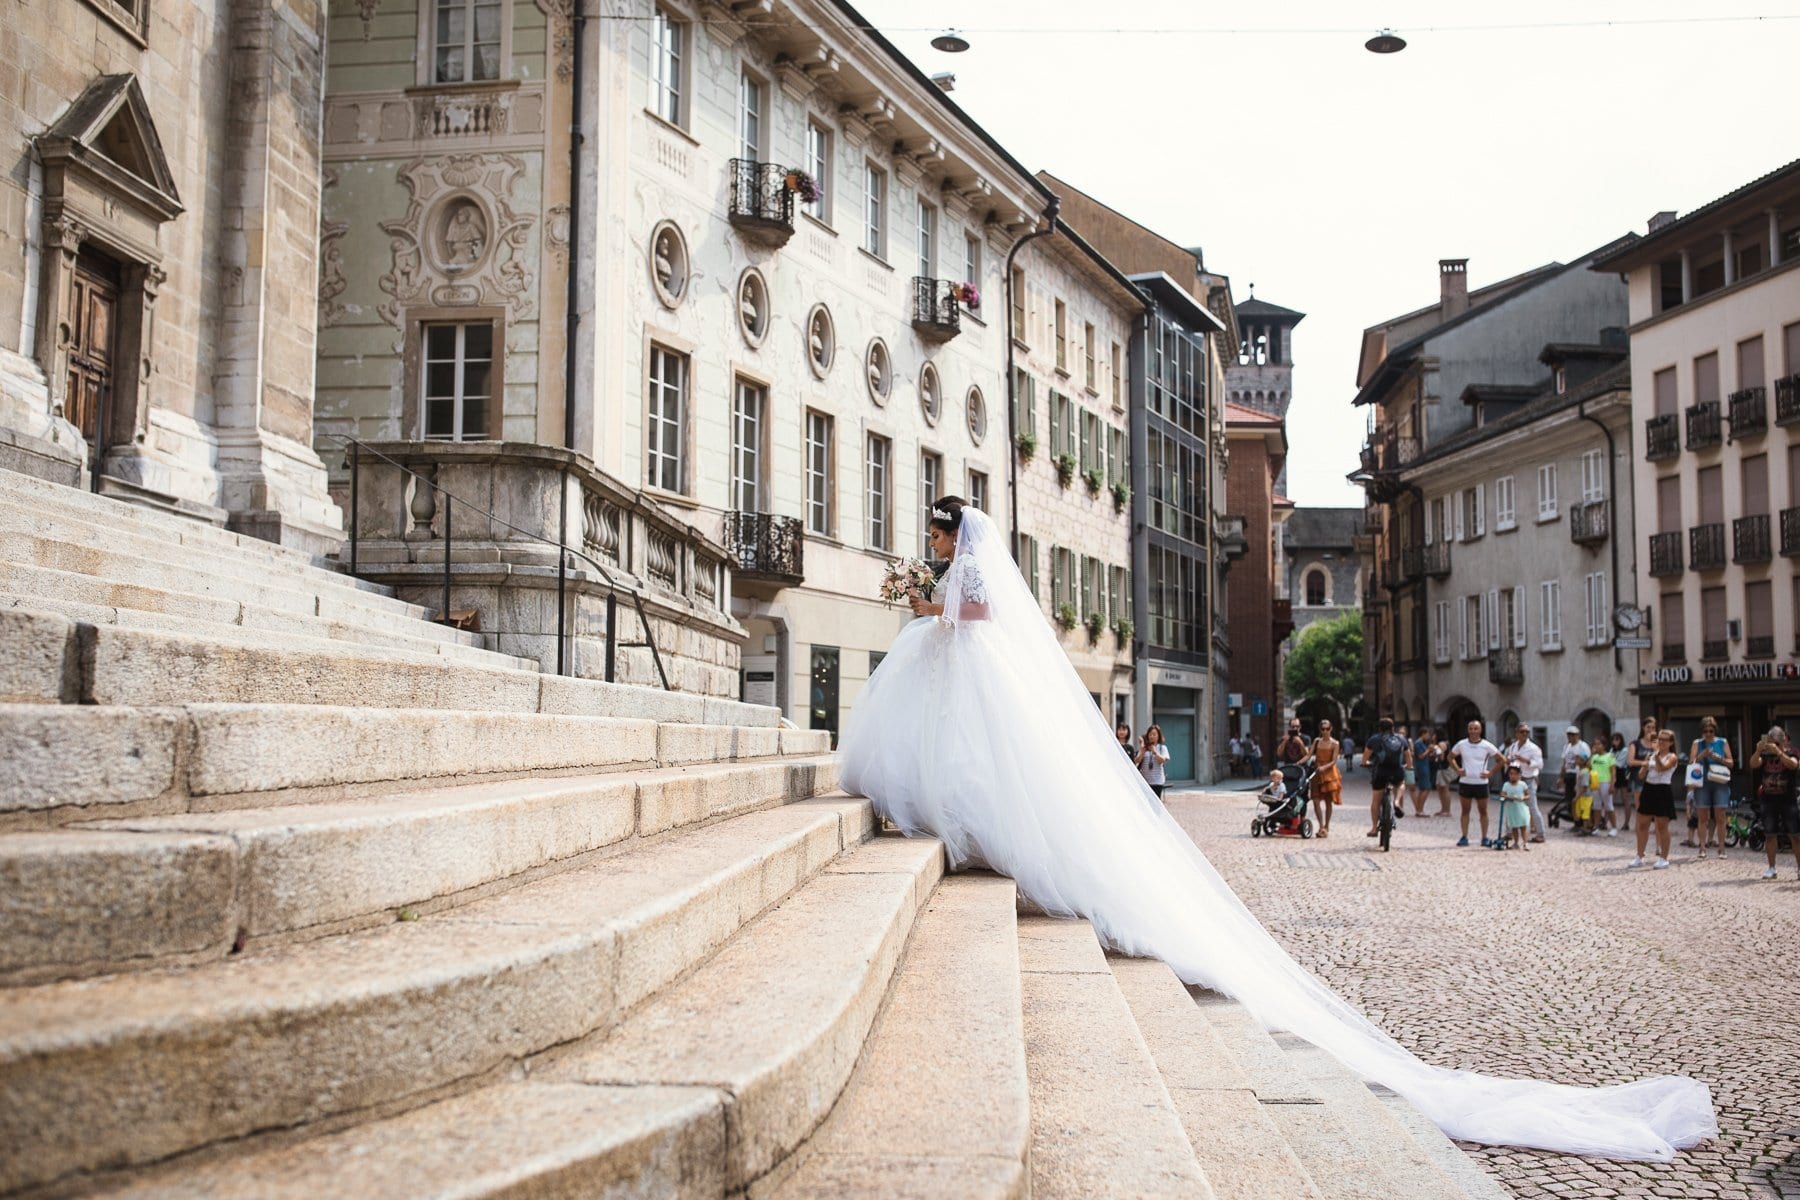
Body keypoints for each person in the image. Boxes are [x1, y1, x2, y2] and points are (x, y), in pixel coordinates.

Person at [837, 496, 1714, 1159]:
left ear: (959, 537)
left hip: (964, 664)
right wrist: (927, 602)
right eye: (936, 542)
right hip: (951, 673)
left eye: (940, 537)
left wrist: (929, 606)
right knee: (955, 759)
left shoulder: (971, 579)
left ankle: (969, 838)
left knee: (976, 764)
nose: (936, 547)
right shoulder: (956, 570)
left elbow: (978, 617)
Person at [1749, 727, 1798, 881]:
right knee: (1770, 835)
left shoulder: (1792, 752)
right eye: (1772, 742)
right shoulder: (1765, 756)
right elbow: (1753, 764)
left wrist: (1778, 752)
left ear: (1783, 741)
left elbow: (1793, 764)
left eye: (1777, 742)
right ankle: (1771, 868)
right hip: (1768, 799)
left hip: (1787, 799)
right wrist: (1758, 751)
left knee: (1795, 835)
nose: (1774, 745)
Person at [1450, 720, 1502, 847]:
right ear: (1468, 730)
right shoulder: (1461, 744)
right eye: (1471, 728)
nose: (1473, 731)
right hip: (1466, 782)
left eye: (1475, 728)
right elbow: (1450, 757)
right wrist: (1457, 770)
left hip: (1481, 783)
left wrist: (1491, 773)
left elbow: (1501, 760)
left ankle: (1484, 837)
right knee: (1465, 811)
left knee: (1483, 811)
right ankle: (1464, 836)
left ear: (1480, 730)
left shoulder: (1486, 745)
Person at [1632, 729, 1680, 869]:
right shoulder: (1650, 756)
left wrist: (1656, 755)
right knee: (1642, 824)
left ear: (1671, 742)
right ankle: (1639, 856)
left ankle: (1663, 858)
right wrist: (1644, 767)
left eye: (1664, 740)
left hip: (1663, 790)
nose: (1661, 742)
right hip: (1649, 788)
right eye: (1660, 739)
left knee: (1661, 825)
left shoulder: (1672, 757)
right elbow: (1641, 776)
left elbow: (1662, 768)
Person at [1688, 716, 1734, 859]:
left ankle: (1721, 848)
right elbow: (1691, 763)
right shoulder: (1697, 743)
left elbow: (1731, 763)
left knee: (1720, 816)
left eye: (1711, 731)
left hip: (1720, 782)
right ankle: (1702, 847)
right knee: (1703, 817)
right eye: (1706, 731)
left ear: (1715, 731)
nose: (1708, 734)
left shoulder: (1722, 742)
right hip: (1702, 783)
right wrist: (1701, 756)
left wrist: (1718, 758)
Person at [1362, 716, 1411, 838]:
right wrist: (1409, 766)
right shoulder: (1401, 738)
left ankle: (1374, 828)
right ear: (1393, 728)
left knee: (1376, 800)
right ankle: (1396, 801)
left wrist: (1366, 764)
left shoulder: (1374, 740)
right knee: (1401, 783)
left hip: (1381, 771)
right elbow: (1408, 757)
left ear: (1380, 728)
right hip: (1396, 770)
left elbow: (1365, 759)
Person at [1502, 724, 1548, 843]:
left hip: (1528, 779)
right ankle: (1509, 832)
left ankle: (1541, 834)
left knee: (1532, 806)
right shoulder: (1513, 746)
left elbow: (1540, 764)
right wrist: (1508, 761)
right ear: (1516, 733)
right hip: (1515, 779)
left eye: (1527, 732)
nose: (1524, 734)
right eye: (1522, 731)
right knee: (1511, 805)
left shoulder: (1533, 748)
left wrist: (1526, 761)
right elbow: (1510, 759)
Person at [1308, 720, 1343, 838]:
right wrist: (1299, 762)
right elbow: (1309, 755)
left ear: (1331, 729)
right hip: (1317, 772)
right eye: (1322, 729)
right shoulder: (1317, 741)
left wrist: (1324, 767)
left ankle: (1326, 826)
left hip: (1329, 774)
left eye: (1327, 729)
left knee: (1328, 802)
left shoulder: (1335, 743)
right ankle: (1321, 826)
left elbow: (1334, 761)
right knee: (1316, 800)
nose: (1325, 731)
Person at [1559, 726, 1591, 830]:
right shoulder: (1567, 746)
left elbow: (1588, 760)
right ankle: (1576, 822)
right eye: (1569, 734)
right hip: (1569, 774)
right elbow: (1564, 763)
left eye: (1573, 734)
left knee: (1579, 800)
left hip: (1578, 774)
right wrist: (1561, 777)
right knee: (1570, 800)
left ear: (1577, 735)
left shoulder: (1583, 746)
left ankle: (1583, 823)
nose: (1570, 736)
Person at [1590, 737, 1618, 837]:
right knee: (1596, 806)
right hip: (1595, 782)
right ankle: (1596, 827)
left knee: (1608, 805)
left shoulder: (1609, 756)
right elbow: (1589, 765)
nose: (1597, 746)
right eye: (1595, 744)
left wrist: (1612, 784)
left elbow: (1613, 771)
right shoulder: (1594, 757)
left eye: (1599, 744)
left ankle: (1614, 827)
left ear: (1604, 745)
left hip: (1606, 781)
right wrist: (1592, 754)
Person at [1500, 764, 1532, 851]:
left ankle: (1525, 842)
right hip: (1512, 808)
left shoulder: (1522, 784)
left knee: (1523, 826)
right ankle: (1516, 842)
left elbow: (1528, 795)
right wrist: (1508, 797)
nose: (1513, 776)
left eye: (1515, 774)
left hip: (1521, 807)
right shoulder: (1506, 785)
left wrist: (1522, 798)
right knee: (1514, 826)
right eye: (1511, 774)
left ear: (1519, 775)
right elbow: (1502, 793)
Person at [1611, 731, 1637, 835]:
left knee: (1625, 799)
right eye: (1613, 739)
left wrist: (1611, 761)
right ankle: (1607, 821)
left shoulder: (1625, 750)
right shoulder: (1612, 750)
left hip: (1622, 775)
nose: (1614, 742)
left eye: (1617, 739)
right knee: (1611, 799)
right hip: (1614, 774)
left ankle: (1626, 823)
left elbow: (1620, 764)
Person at [1137, 724, 1170, 798]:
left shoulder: (1162, 748)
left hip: (1157, 782)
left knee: (1156, 804)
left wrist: (1154, 751)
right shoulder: (1144, 748)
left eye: (1154, 734)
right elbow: (1137, 761)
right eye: (1150, 734)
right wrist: (1142, 751)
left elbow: (1162, 760)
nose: (1152, 736)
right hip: (1145, 781)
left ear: (1158, 736)